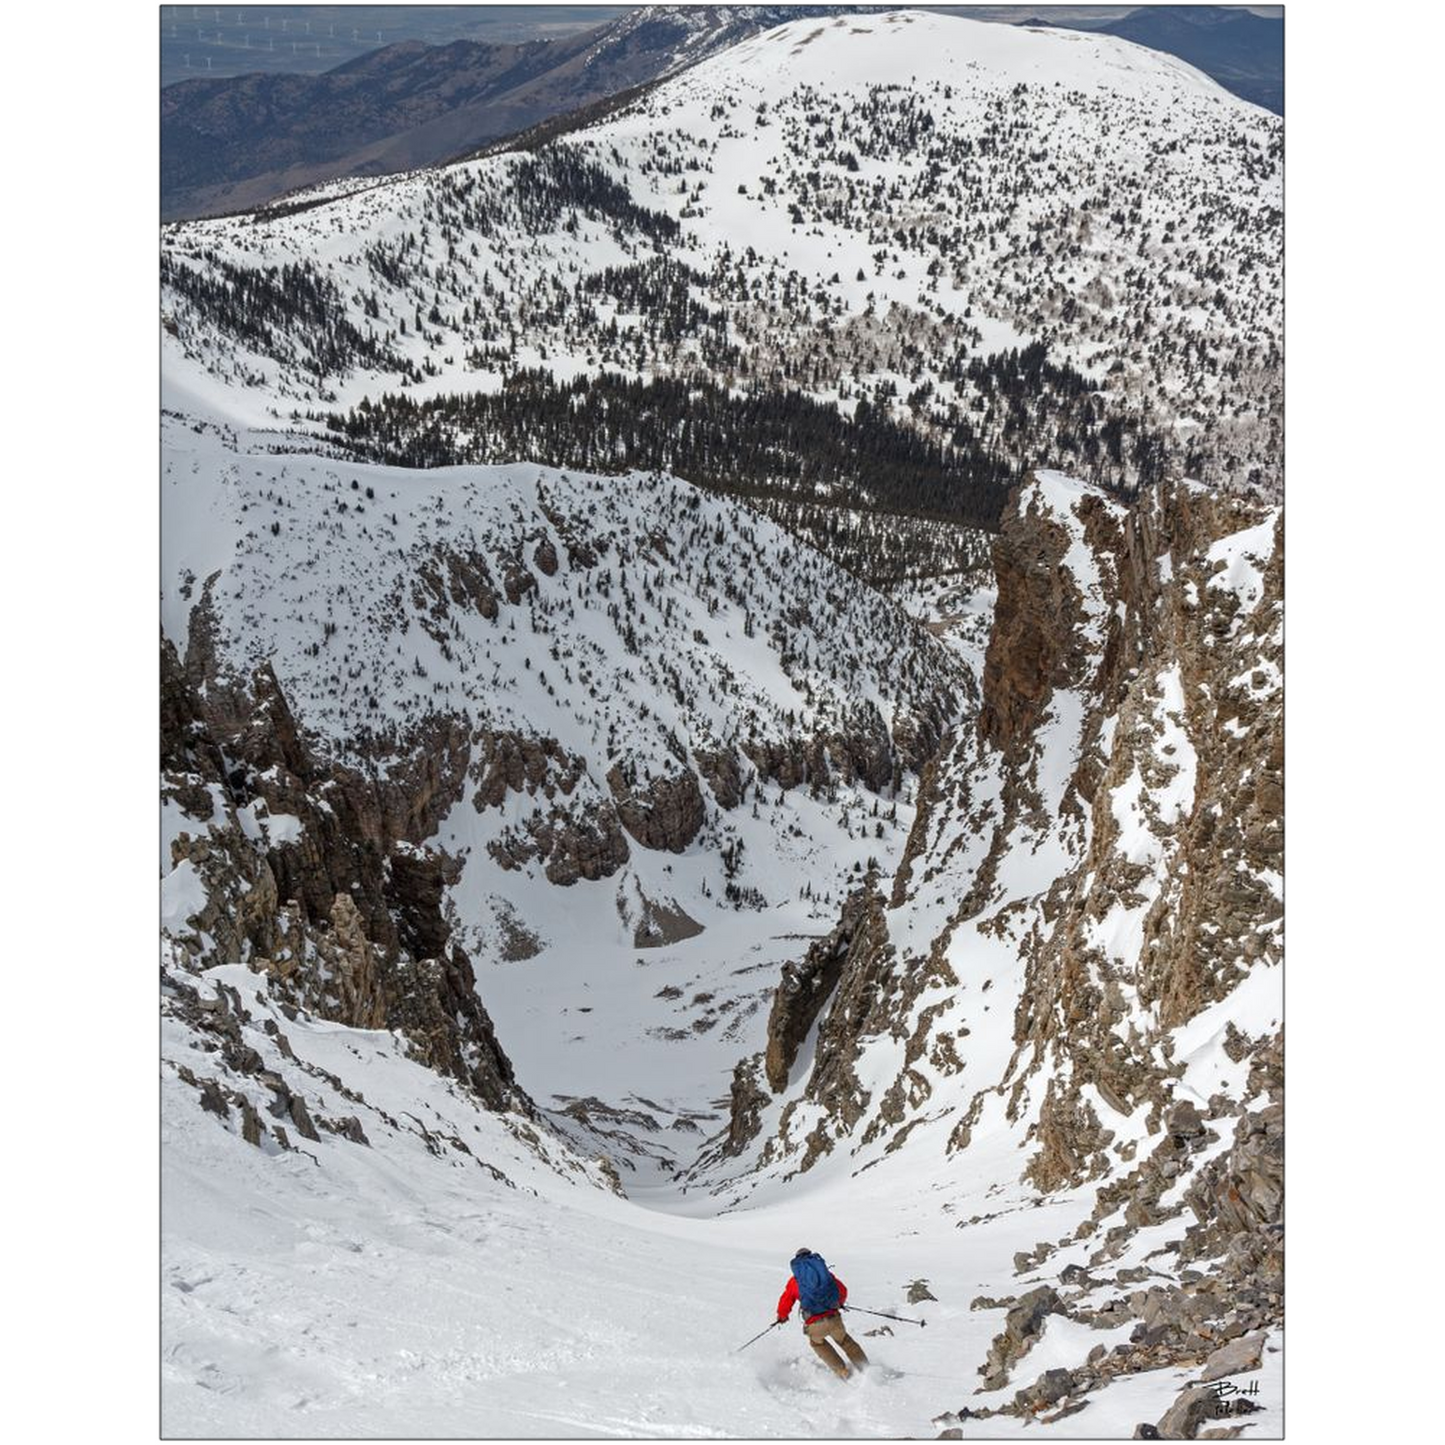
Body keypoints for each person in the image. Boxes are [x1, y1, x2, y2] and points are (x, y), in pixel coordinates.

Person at [776, 1247, 869, 1380]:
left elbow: (786, 1300)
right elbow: (842, 1290)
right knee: (845, 1341)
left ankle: (842, 1371)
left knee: (817, 1343)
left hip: (814, 1323)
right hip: (834, 1318)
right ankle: (865, 1368)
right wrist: (839, 1302)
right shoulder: (826, 1275)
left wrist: (782, 1316)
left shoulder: (795, 1281)